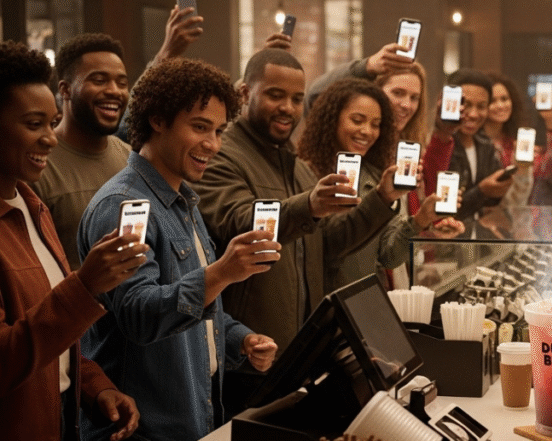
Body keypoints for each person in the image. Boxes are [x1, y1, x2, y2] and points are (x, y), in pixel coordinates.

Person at [77, 58, 279, 441]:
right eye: (200, 127)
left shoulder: (183, 199)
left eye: (220, 131)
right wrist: (223, 270)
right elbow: (139, 315)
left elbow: (198, 308)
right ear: (157, 119)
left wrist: (240, 338)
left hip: (192, 419)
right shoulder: (123, 205)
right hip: (140, 436)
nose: (213, 144)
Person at [0, 40, 142, 441]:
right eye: (33, 124)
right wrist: (85, 287)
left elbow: (54, 336)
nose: (50, 138)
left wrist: (96, 387)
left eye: (49, 123)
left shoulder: (31, 205)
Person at [192, 48, 400, 355]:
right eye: (276, 95)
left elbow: (328, 243)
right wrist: (310, 206)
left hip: (301, 348)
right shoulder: (222, 155)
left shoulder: (296, 166)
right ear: (245, 93)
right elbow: (239, 221)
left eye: (296, 99)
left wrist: (382, 198)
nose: (287, 108)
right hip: (251, 349)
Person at [297, 78, 463, 288]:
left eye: (375, 125)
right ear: (332, 120)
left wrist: (421, 220)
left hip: (365, 302)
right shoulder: (305, 173)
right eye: (357, 120)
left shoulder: (375, 176)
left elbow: (390, 257)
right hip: (321, 306)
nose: (367, 131)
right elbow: (327, 247)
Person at [34, 33, 132, 271]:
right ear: (65, 90)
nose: (114, 91)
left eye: (122, 83)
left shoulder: (132, 158)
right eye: (99, 80)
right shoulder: (36, 163)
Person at [409, 69, 513, 231]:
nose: (472, 114)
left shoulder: (485, 145)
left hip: (475, 238)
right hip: (443, 240)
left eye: (481, 106)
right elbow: (440, 207)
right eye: (466, 105)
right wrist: (481, 191)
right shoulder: (438, 146)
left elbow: (492, 204)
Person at [483, 72, 533, 208]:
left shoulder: (516, 142)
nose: (500, 106)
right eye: (493, 101)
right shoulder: (476, 145)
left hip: (515, 217)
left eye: (504, 99)